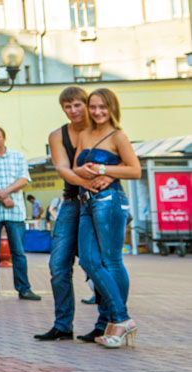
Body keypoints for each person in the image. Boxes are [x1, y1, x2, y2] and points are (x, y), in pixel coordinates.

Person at [35, 87, 111, 342]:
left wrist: (104, 177)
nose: (73, 111)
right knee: (58, 265)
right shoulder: (58, 135)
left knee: (96, 264)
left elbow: (119, 163)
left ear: (86, 104)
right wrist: (86, 181)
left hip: (101, 200)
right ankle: (63, 325)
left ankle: (106, 322)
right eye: (67, 107)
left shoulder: (103, 130)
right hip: (72, 202)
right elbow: (62, 168)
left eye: (77, 105)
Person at [74, 88, 141, 348]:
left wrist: (106, 171)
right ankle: (120, 319)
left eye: (103, 107)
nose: (97, 112)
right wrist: (80, 172)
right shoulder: (84, 133)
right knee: (89, 260)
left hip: (110, 201)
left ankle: (118, 321)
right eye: (93, 107)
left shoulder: (118, 136)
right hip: (86, 201)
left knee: (112, 260)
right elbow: (77, 169)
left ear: (112, 108)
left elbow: (134, 170)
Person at [0, 126, 41, 302]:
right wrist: (2, 197)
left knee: (18, 252)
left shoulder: (18, 156)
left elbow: (23, 179)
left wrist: (5, 192)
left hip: (15, 211)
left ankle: (24, 289)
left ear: (4, 138)